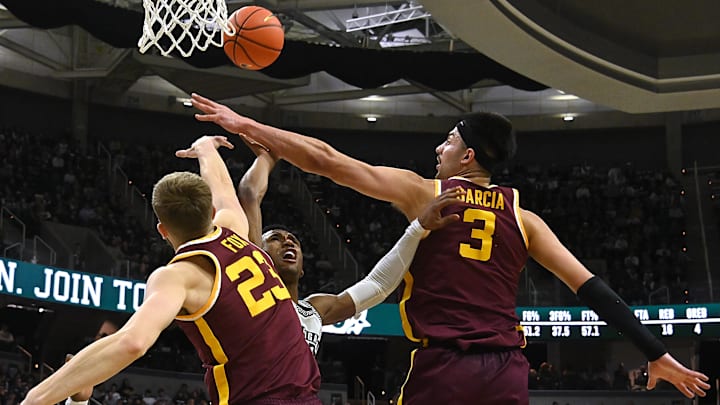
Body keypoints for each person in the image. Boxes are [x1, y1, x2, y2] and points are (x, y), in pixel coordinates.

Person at [191, 93, 711, 404]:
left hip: (446, 370)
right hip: (509, 374)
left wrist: (246, 125)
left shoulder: (426, 192)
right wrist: (657, 353)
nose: (438, 148)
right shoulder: (526, 220)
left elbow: (328, 160)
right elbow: (595, 290)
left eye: (448, 141)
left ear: (468, 157)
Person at [21, 135, 321, 405]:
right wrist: (206, 148)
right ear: (211, 213)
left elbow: (132, 342)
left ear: (162, 230)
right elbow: (222, 187)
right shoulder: (235, 228)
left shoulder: (179, 276)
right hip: (307, 396)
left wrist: (36, 397)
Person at [233, 142, 462, 355]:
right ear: (258, 256)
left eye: (294, 240)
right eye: (275, 238)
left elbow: (378, 285)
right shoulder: (249, 297)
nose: (288, 241)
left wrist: (418, 227)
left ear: (303, 269)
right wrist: (267, 157)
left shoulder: (314, 310)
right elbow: (249, 194)